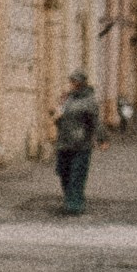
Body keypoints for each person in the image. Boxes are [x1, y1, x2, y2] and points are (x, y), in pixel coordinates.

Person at [51, 72, 100, 216]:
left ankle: (75, 204)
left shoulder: (89, 100)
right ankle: (69, 198)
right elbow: (58, 117)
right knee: (63, 172)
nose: (72, 84)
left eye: (75, 82)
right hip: (64, 142)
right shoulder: (66, 99)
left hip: (81, 143)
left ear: (82, 83)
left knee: (77, 174)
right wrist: (55, 114)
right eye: (71, 81)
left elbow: (95, 122)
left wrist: (101, 138)